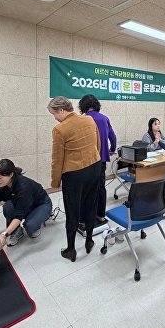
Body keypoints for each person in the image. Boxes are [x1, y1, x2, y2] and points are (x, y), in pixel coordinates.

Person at [48, 96, 101, 262]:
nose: (55, 118)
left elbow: (57, 159)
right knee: (91, 204)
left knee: (72, 210)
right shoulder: (89, 120)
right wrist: (94, 159)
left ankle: (71, 249)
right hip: (94, 167)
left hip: (74, 174)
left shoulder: (59, 130)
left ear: (61, 110)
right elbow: (97, 144)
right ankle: (89, 240)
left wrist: (55, 181)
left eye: (54, 114)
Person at [0, 159, 53, 248]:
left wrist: (4, 234)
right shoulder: (1, 183)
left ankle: (40, 219)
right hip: (24, 205)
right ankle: (16, 231)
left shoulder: (23, 186)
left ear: (11, 174)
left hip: (40, 204)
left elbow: (19, 215)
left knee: (30, 226)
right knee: (7, 207)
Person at [78, 94, 116, 225]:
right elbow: (113, 137)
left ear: (83, 106)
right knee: (100, 188)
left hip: (86, 161)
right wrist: (111, 150)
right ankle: (100, 216)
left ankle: (83, 220)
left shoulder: (82, 120)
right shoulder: (104, 118)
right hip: (101, 160)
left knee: (85, 189)